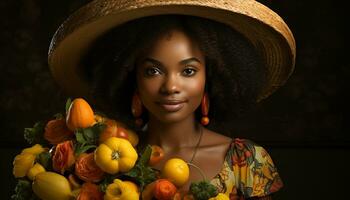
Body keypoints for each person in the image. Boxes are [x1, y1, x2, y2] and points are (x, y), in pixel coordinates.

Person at [48, 0, 296, 199]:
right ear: (130, 77)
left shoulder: (248, 161)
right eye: (153, 71)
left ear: (211, 77)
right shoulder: (99, 162)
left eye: (188, 71)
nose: (170, 87)